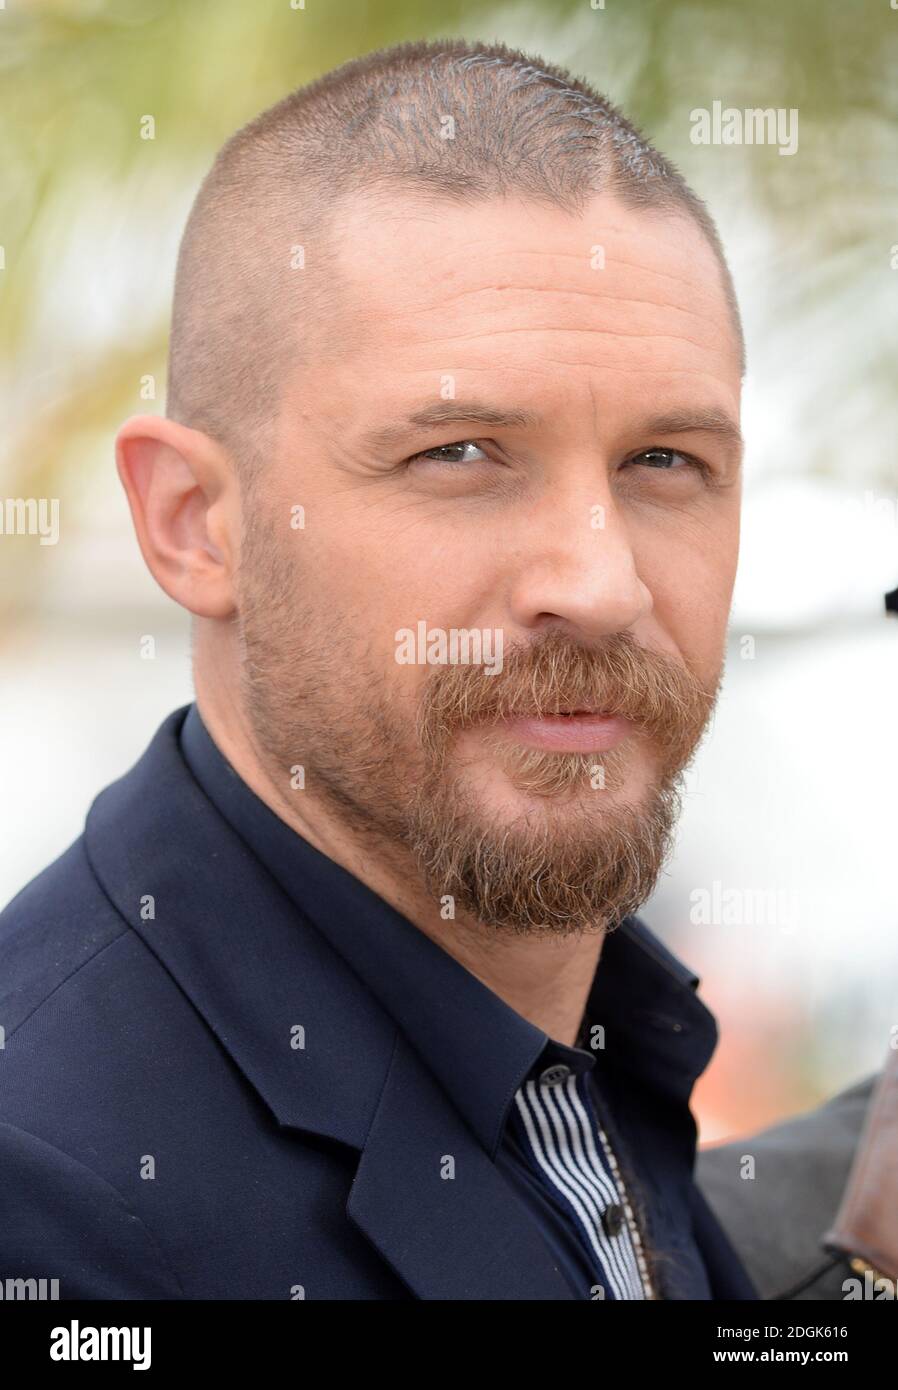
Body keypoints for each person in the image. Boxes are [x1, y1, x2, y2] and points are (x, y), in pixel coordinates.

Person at [0, 39, 755, 1300]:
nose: (602, 582)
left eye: (665, 461)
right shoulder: (48, 1199)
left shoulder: (583, 1041)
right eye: (461, 452)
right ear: (195, 521)